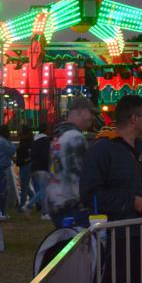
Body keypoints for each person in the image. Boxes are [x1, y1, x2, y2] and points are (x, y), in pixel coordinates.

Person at [80, 95, 142, 283]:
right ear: (134, 119)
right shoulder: (101, 150)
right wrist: (131, 202)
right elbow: (89, 194)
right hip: (113, 240)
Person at [45, 96, 96, 228]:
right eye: (91, 112)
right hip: (72, 204)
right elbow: (83, 175)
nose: (92, 117)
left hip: (56, 201)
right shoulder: (75, 137)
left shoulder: (58, 136)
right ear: (81, 111)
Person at [27, 127, 51, 219]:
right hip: (43, 168)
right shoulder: (45, 140)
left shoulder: (34, 141)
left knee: (42, 190)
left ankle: (29, 205)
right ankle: (45, 213)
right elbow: (46, 155)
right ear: (46, 130)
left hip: (34, 167)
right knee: (44, 191)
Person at [15, 126, 33, 211]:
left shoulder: (28, 143)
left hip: (25, 165)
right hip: (23, 165)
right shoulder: (25, 142)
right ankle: (36, 201)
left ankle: (22, 205)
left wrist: (25, 160)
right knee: (25, 185)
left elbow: (30, 155)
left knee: (24, 186)